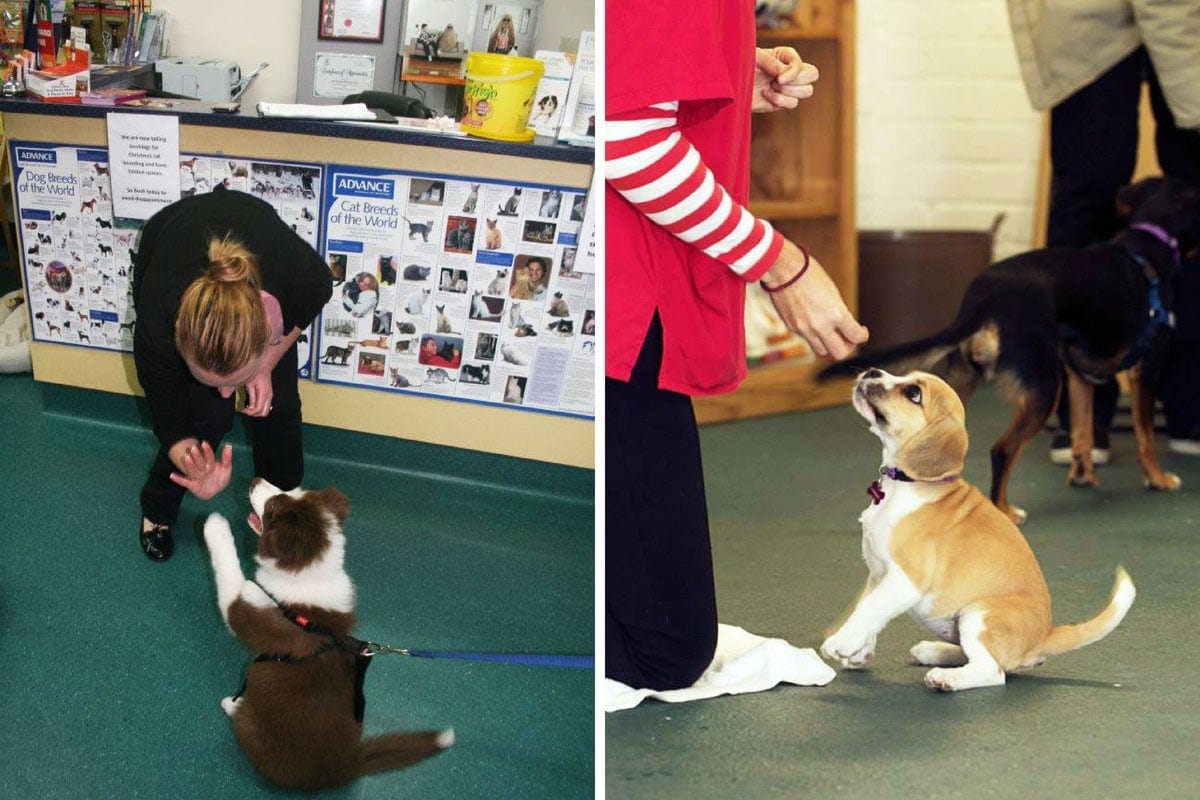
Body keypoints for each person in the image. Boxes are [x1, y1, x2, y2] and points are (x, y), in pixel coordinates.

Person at [605, 0, 869, 691]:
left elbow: (627, 81)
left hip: (628, 297)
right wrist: (783, 266)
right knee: (664, 652)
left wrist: (721, 72)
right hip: (625, 300)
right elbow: (628, 143)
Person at [1005, 2, 1200, 460]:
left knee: (1190, 204)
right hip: (1088, 22)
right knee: (1086, 199)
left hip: (1187, 20)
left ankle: (1190, 407)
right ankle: (1082, 421)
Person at [132, 189, 332, 562]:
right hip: (172, 238)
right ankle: (157, 510)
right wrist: (190, 460)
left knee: (279, 407)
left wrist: (268, 364)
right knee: (206, 416)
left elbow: (321, 287)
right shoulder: (157, 327)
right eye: (215, 381)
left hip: (255, 238)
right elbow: (169, 420)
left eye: (236, 378)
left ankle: (280, 512)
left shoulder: (291, 274)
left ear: (264, 336)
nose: (230, 393)